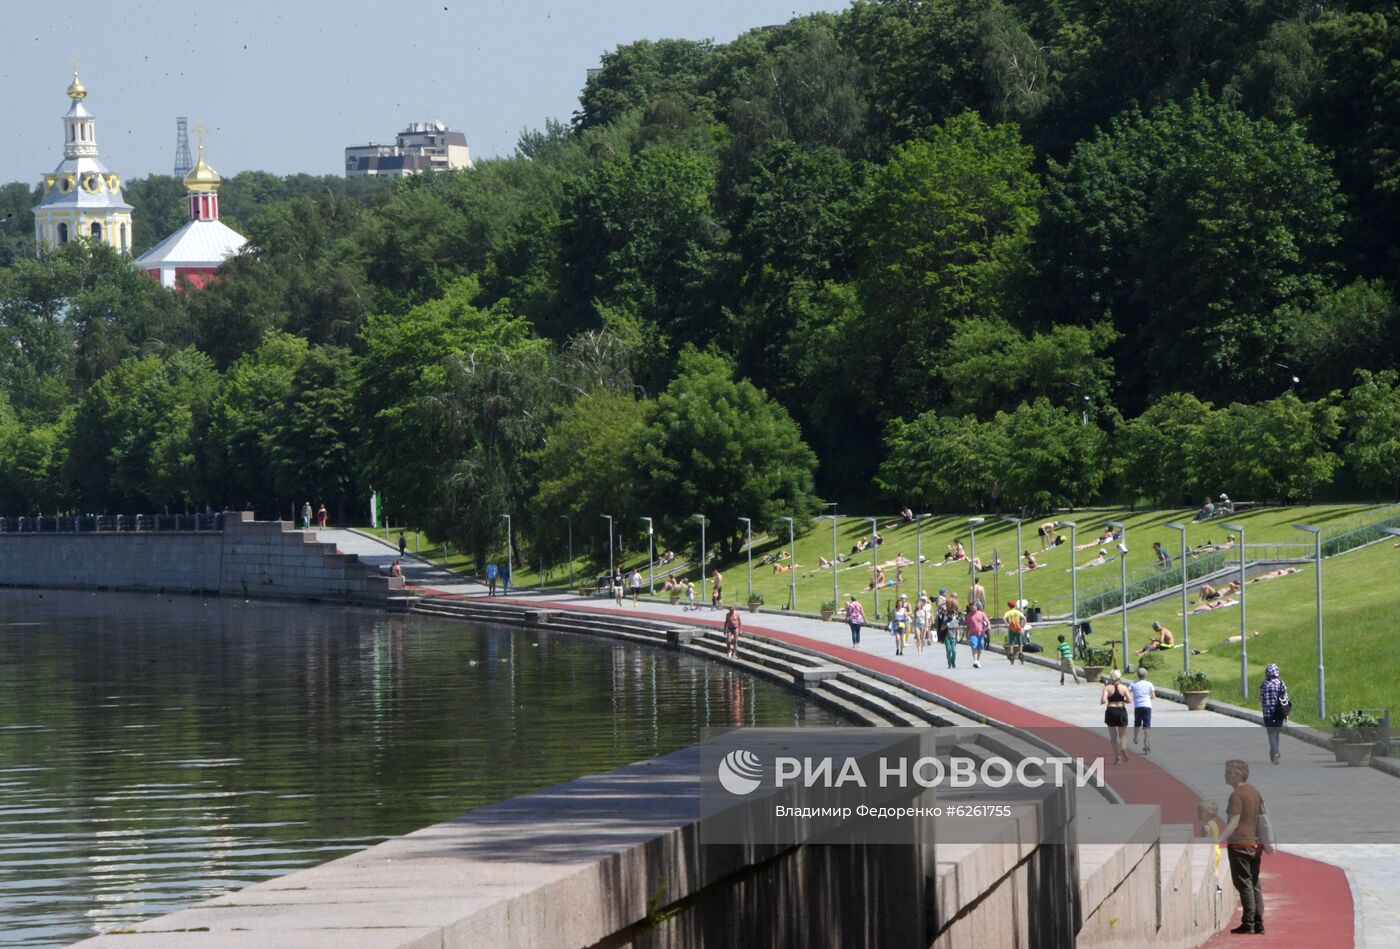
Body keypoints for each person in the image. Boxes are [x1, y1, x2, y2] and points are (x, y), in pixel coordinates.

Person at [1222, 759, 1267, 934]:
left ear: (1239, 774)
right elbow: (1264, 815)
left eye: (1228, 772)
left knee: (1243, 883)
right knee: (1254, 882)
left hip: (1239, 843)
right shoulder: (1254, 791)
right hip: (1254, 844)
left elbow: (1234, 822)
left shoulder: (1237, 795)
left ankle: (1248, 921)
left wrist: (1218, 838)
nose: (1225, 775)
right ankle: (1258, 922)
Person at [1259, 663, 1291, 764]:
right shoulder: (1281, 683)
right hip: (1279, 713)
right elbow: (1285, 699)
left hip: (1267, 713)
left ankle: (1275, 753)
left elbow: (1261, 699)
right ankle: (1274, 752)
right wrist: (1286, 713)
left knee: (1271, 733)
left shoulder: (1264, 684)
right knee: (1276, 733)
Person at [1101, 670, 1131, 764]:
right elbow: (1130, 700)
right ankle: (1123, 748)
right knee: (1122, 735)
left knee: (1113, 736)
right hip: (1121, 710)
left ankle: (1117, 758)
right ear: (1119, 677)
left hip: (1111, 711)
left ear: (1111, 677)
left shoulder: (1107, 687)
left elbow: (1103, 700)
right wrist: (1123, 701)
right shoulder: (1124, 687)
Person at [1130, 667, 1156, 753]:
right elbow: (1153, 696)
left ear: (1137, 675)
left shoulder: (1133, 684)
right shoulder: (1149, 684)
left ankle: (1136, 737)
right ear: (1146, 675)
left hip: (1138, 706)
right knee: (1146, 724)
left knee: (1137, 723)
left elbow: (1127, 691)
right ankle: (1146, 740)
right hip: (1147, 706)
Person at [1003, 600, 1027, 665]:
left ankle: (1011, 655)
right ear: (1014, 605)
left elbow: (1004, 618)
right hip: (1018, 628)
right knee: (1020, 642)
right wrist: (1023, 627)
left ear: (1009, 606)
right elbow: (1024, 619)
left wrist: (1007, 624)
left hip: (1011, 629)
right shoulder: (1018, 612)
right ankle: (1021, 654)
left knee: (1011, 642)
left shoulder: (1008, 612)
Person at [966, 602, 988, 668]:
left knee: (979, 648)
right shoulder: (969, 615)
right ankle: (975, 660)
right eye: (971, 607)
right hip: (973, 634)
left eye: (973, 607)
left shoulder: (981, 614)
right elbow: (968, 626)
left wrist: (988, 626)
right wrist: (967, 634)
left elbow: (986, 621)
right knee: (974, 647)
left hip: (981, 633)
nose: (972, 608)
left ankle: (978, 661)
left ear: (976, 607)